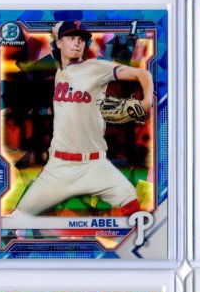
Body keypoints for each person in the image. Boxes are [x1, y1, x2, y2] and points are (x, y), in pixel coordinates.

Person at [12, 20, 153, 216]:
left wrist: (146, 102)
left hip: (94, 165)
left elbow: (142, 74)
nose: (77, 43)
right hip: (58, 167)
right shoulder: (60, 70)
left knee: (130, 202)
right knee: (18, 218)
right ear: (58, 42)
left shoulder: (96, 67)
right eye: (71, 38)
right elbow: (56, 29)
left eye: (81, 39)